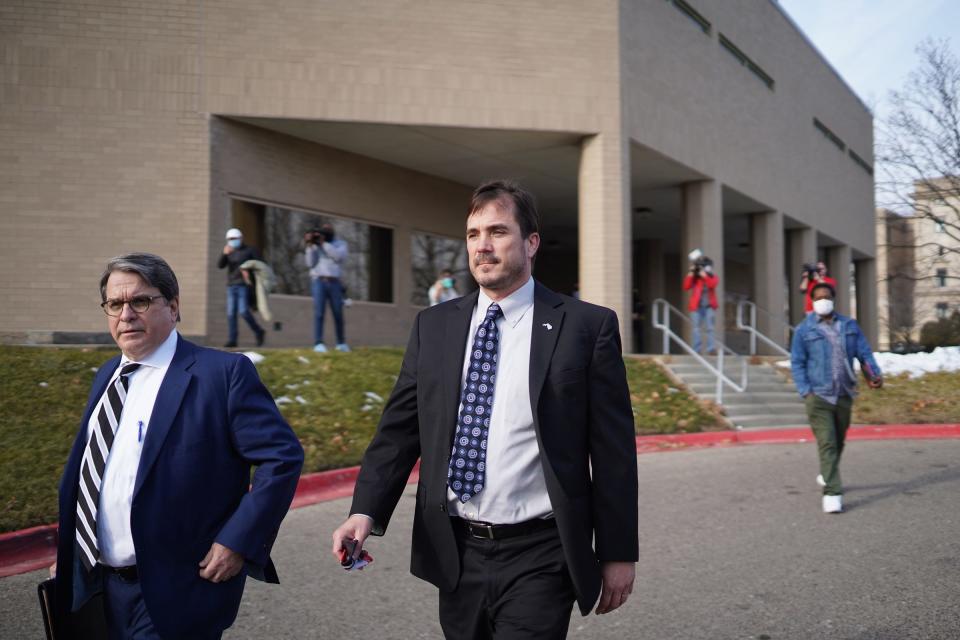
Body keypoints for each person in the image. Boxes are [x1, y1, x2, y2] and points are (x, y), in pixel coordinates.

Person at [331, 180, 638, 639]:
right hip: (457, 551)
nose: (482, 246)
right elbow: (399, 429)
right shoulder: (433, 326)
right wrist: (365, 510)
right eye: (473, 234)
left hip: (541, 552)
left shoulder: (585, 327)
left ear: (531, 242)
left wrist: (617, 551)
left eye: (497, 232)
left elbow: (613, 450)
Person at [52, 253, 304, 638]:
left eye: (140, 301)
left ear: (172, 306)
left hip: (176, 589)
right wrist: (72, 549)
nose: (126, 315)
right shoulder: (107, 376)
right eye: (115, 304)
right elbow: (94, 471)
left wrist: (237, 541)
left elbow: (281, 459)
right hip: (99, 585)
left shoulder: (221, 375)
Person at [790, 281, 882, 514]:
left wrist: (874, 374)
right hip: (818, 396)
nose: (823, 300)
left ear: (833, 299)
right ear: (812, 302)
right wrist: (806, 391)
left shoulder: (849, 325)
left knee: (838, 440)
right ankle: (832, 492)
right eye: (818, 297)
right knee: (828, 442)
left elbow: (864, 352)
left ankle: (826, 471)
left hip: (843, 393)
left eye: (826, 296)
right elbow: (797, 362)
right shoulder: (804, 330)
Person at [217, 228, 266, 348]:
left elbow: (260, 264)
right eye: (230, 239)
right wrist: (224, 254)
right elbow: (220, 265)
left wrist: (248, 269)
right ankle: (232, 340)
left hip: (244, 284)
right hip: (231, 285)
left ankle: (259, 331)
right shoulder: (229, 251)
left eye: (234, 239)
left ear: (240, 238)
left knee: (243, 311)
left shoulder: (249, 250)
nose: (232, 241)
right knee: (231, 313)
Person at [305, 223, 349, 353]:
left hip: (335, 282)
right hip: (319, 281)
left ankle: (341, 343)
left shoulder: (340, 244)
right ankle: (318, 343)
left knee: (338, 313)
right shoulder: (315, 245)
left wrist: (324, 244)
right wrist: (310, 246)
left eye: (326, 230)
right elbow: (310, 263)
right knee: (319, 313)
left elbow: (338, 257)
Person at [682, 250, 719, 354]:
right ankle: (696, 350)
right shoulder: (695, 278)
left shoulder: (712, 276)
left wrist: (705, 276)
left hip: (709, 306)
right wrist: (690, 273)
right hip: (696, 307)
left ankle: (711, 349)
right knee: (695, 328)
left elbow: (712, 284)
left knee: (710, 328)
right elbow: (686, 287)